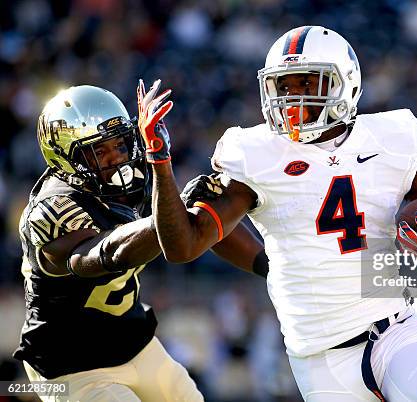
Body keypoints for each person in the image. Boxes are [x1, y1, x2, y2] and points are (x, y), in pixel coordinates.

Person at [139, 26, 417, 402]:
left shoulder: (391, 140)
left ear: (345, 84)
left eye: (307, 83)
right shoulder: (257, 154)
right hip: (320, 358)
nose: (292, 97)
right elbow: (183, 246)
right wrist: (160, 162)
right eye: (284, 85)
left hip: (396, 331)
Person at [14, 85, 267, 402]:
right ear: (66, 157)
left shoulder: (136, 180)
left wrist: (275, 270)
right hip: (70, 363)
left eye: (119, 145)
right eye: (99, 151)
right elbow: (105, 254)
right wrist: (170, 215)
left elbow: (200, 230)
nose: (116, 158)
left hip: (133, 341)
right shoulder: (52, 210)